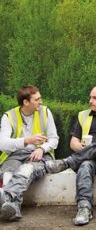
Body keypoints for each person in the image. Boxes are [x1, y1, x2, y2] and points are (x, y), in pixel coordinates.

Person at [44, 85, 96, 226]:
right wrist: (85, 149)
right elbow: (73, 143)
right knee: (85, 163)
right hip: (89, 159)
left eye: (94, 98)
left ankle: (67, 162)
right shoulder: (83, 115)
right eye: (90, 97)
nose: (90, 100)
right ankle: (84, 209)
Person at [0, 85, 59, 221]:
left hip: (40, 154)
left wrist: (42, 148)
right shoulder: (8, 116)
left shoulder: (45, 112)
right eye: (37, 99)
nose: (41, 102)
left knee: (26, 169)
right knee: (9, 173)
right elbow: (2, 144)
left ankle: (7, 198)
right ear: (26, 102)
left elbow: (54, 139)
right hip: (14, 154)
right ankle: (13, 208)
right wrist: (26, 140)